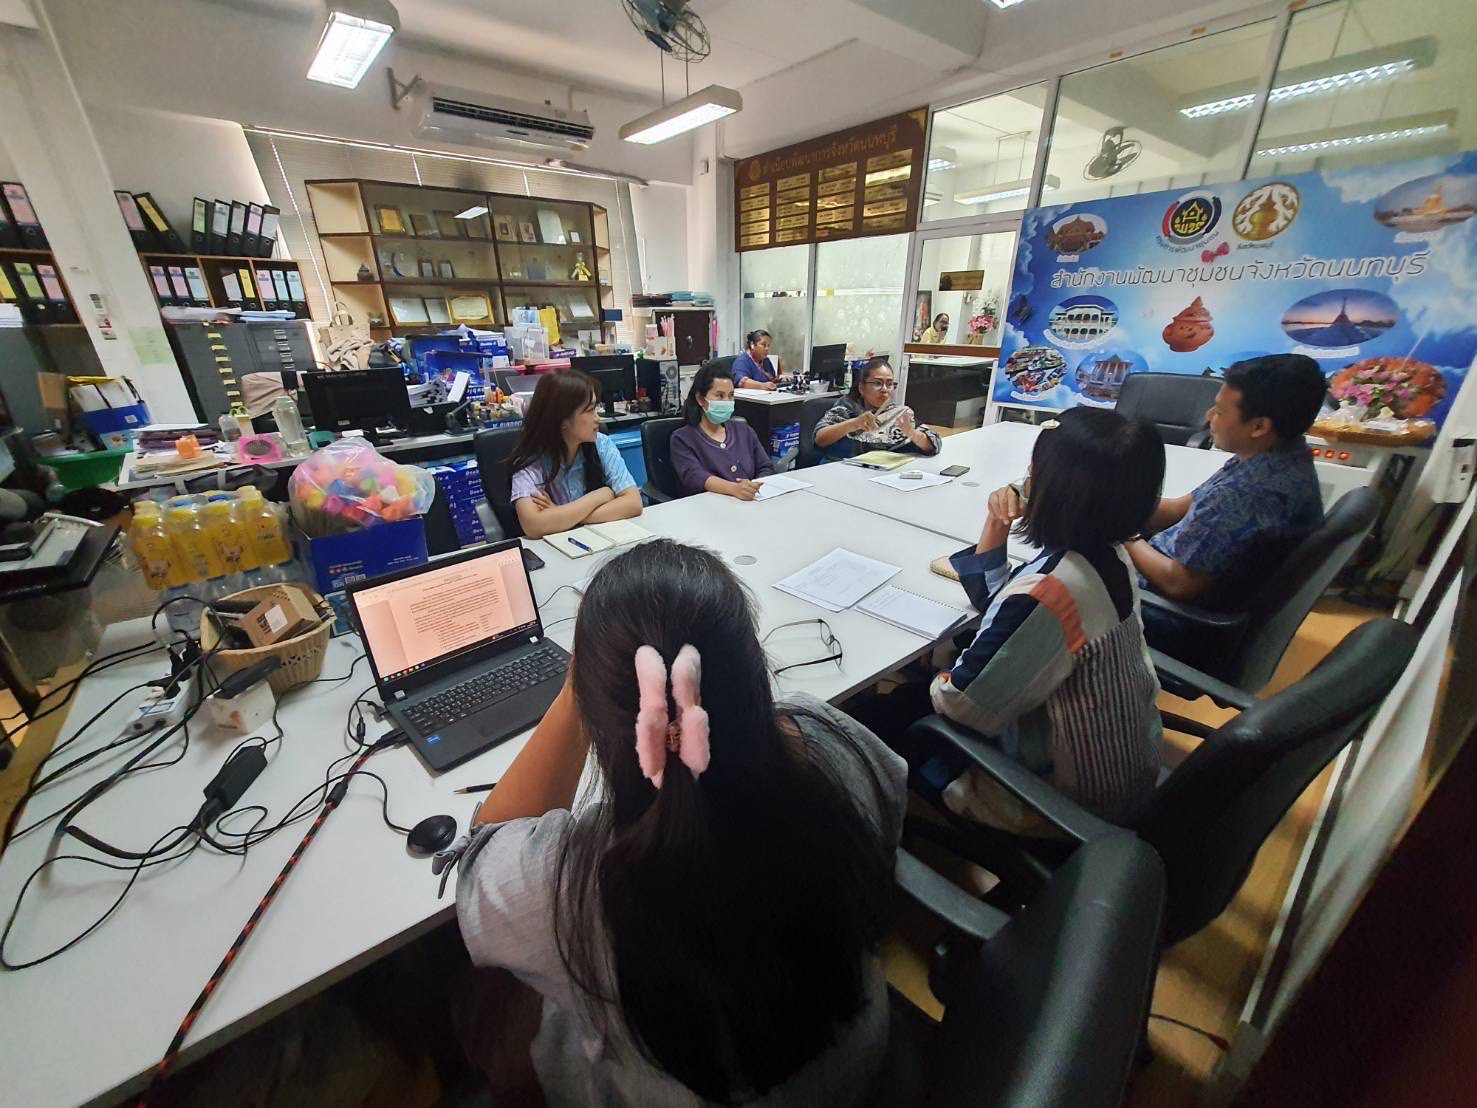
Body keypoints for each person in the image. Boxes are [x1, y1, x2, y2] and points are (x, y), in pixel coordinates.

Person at [455, 539, 904, 1105]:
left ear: (603, 712)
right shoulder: (835, 743)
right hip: (855, 1062)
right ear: (753, 671)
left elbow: (480, 858)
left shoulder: (565, 885)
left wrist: (577, 689)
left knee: (484, 1007)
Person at [860, 408, 1166, 832]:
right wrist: (996, 520)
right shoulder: (1107, 555)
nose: (1025, 479)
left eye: (1033, 471)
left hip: (1063, 804)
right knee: (921, 680)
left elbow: (960, 706)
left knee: (871, 719)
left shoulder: (1051, 590)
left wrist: (939, 667)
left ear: (1058, 489)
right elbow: (999, 604)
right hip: (1124, 772)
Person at [1126, 355, 1326, 658]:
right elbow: (1178, 509)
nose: (1208, 416)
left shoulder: (1246, 493)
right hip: (1170, 576)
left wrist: (1123, 535)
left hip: (1171, 617)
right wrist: (1115, 501)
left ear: (1258, 426)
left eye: (1219, 411)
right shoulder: (1275, 457)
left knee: (1057, 581)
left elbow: (1178, 584)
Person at [507, 369, 643, 539]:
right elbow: (533, 525)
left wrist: (560, 515)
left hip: (596, 539)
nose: (597, 418)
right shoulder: (532, 459)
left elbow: (633, 503)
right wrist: (600, 495)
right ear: (563, 420)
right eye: (589, 410)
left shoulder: (601, 444)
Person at [669, 359, 774, 499]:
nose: (727, 402)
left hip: (751, 502)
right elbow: (694, 476)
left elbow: (765, 467)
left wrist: (754, 486)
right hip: (707, 507)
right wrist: (734, 489)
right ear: (700, 399)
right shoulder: (682, 439)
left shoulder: (744, 430)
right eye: (719, 396)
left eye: (731, 396)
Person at [813, 356, 942, 460]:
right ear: (861, 388)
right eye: (877, 383)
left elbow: (934, 444)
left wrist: (912, 433)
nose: (884, 390)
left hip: (882, 475)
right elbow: (820, 439)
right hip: (842, 471)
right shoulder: (846, 408)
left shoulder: (897, 413)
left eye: (889, 384)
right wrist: (854, 423)